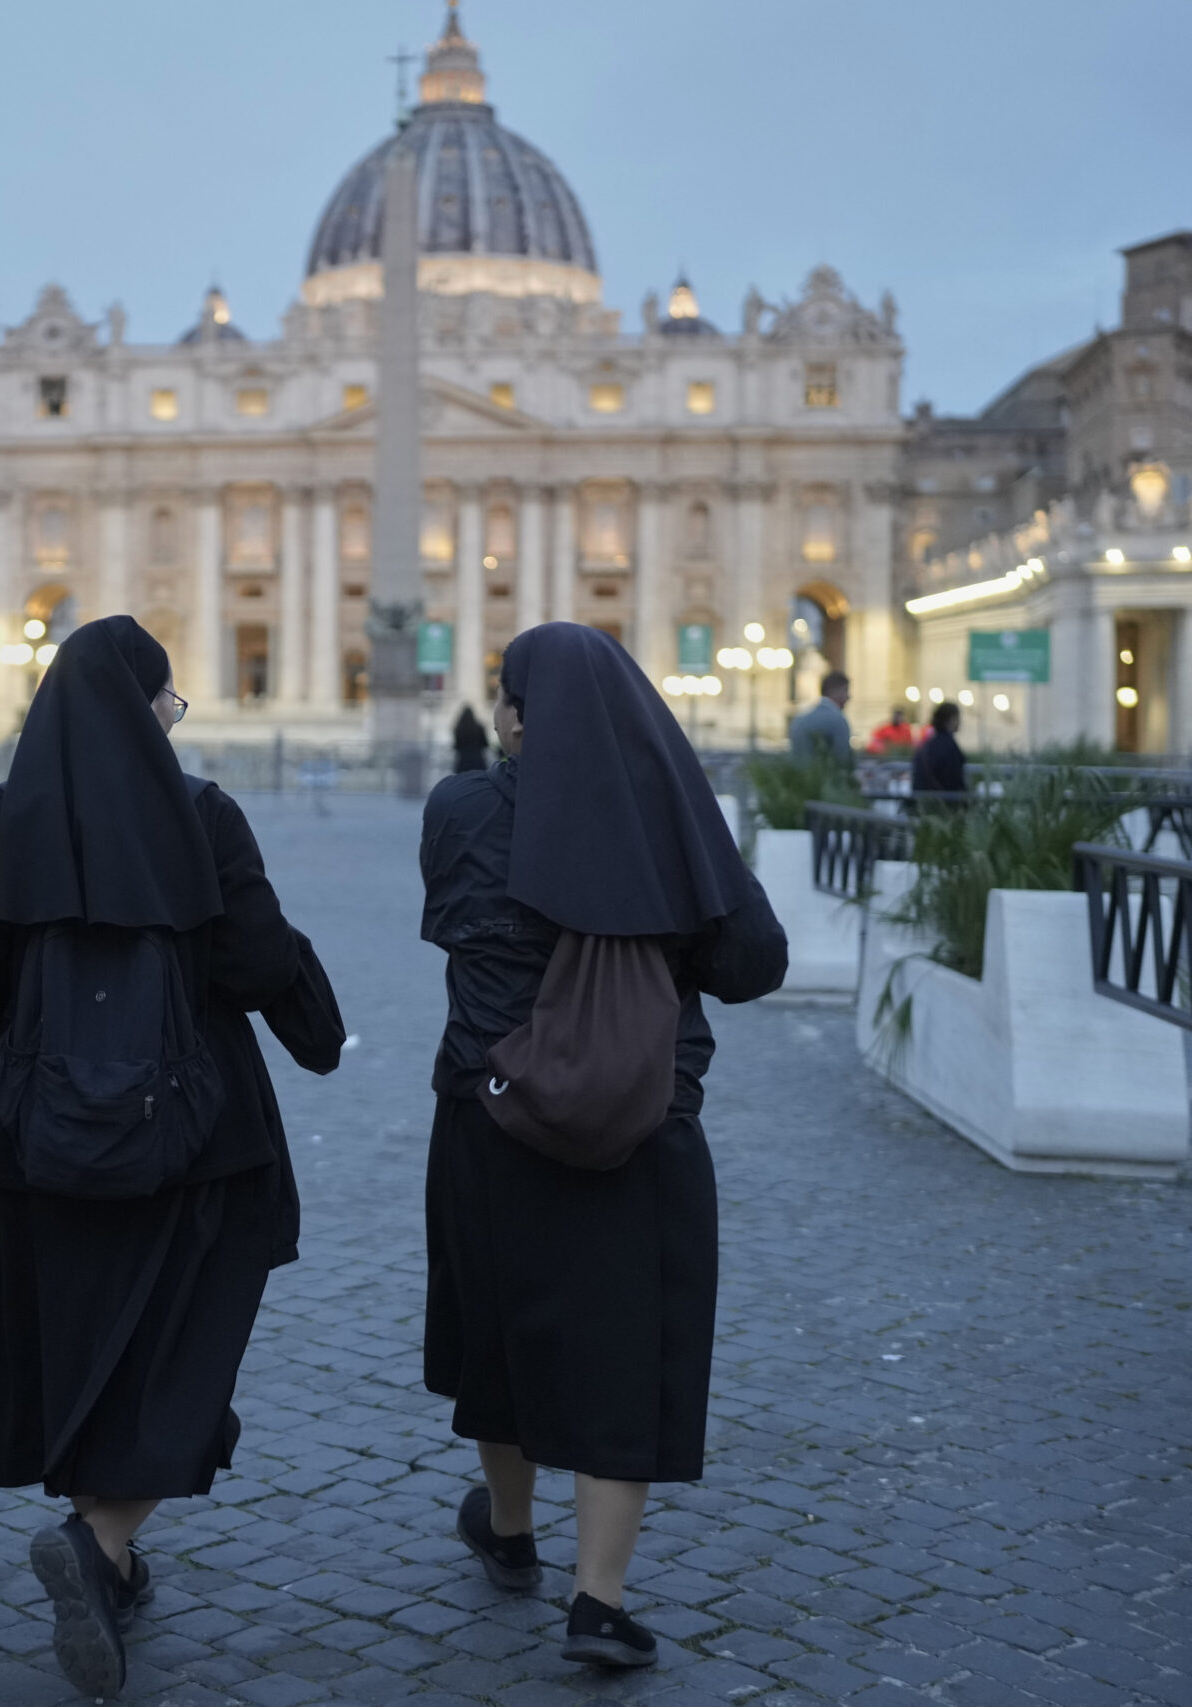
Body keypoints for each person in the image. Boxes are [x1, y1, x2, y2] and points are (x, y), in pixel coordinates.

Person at [0, 615, 345, 1700]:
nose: (169, 722)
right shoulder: (201, 815)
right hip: (196, 1138)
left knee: (83, 1346)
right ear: (144, 712)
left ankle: (105, 1552)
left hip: (39, 1143)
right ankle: (100, 1545)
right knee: (187, 1354)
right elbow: (246, 959)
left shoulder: (4, 820)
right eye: (166, 704)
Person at [419, 622, 785, 1672]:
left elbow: (455, 917)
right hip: (637, 1123)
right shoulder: (666, 816)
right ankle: (600, 1598)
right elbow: (754, 962)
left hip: (487, 1113)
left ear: (518, 715)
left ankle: (509, 1527)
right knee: (624, 1352)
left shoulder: (459, 811)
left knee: (498, 1329)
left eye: (503, 694)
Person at [785, 670, 852, 767]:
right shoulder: (837, 720)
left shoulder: (799, 719)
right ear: (833, 691)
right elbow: (842, 759)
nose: (848, 697)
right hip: (824, 778)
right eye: (845, 690)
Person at [909, 702, 968, 800]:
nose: (960, 722)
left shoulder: (928, 744)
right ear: (950, 719)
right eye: (957, 718)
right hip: (944, 803)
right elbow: (953, 779)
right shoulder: (948, 745)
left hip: (925, 802)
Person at [452, 703, 491, 774]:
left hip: (463, 761)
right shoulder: (479, 727)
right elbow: (485, 744)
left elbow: (456, 746)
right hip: (478, 760)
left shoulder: (459, 729)